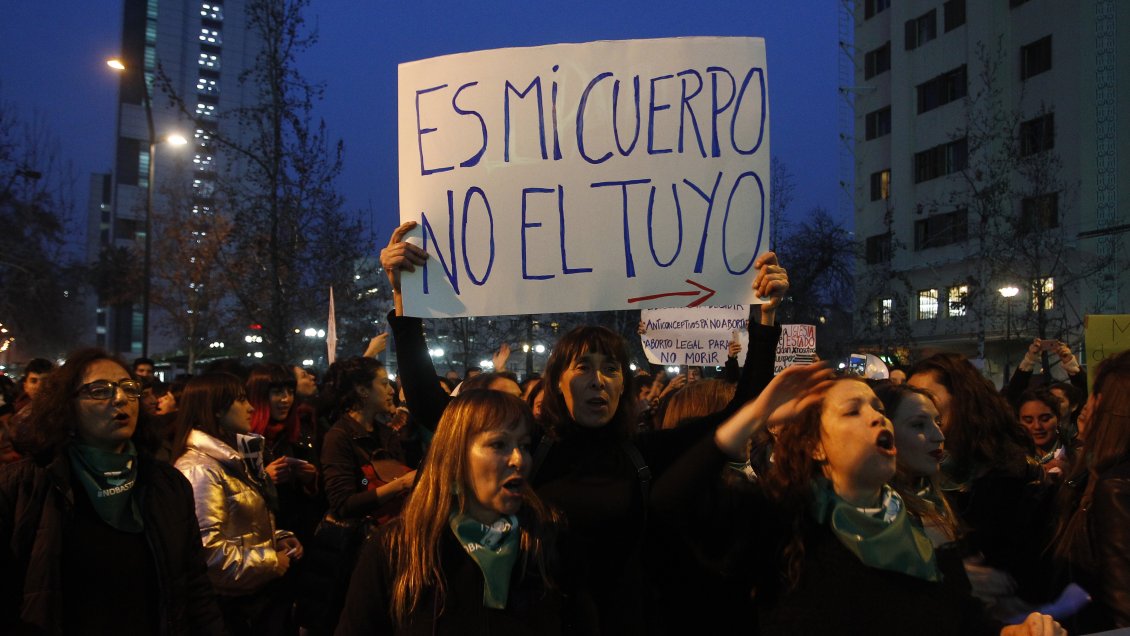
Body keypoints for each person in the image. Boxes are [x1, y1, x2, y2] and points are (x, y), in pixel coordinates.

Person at [382, 220, 788, 633]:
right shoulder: (528, 448)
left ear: (623, 384)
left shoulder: (645, 454)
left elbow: (743, 409)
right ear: (557, 381)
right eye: (584, 367)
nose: (598, 380)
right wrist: (405, 298)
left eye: (611, 369)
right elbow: (429, 403)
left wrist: (766, 316)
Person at [652, 365, 1065, 636]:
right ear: (815, 446)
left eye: (879, 408)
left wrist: (1012, 631)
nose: (877, 417)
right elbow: (670, 502)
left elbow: (958, 617)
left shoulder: (919, 522)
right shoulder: (781, 518)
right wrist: (752, 415)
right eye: (853, 411)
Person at [1, 348, 224, 635]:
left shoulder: (167, 484)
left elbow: (195, 587)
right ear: (66, 404)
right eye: (99, 390)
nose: (120, 399)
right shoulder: (23, 486)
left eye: (129, 389)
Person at [337, 390, 595, 635]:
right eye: (499, 444)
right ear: (455, 455)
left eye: (525, 445)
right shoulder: (398, 546)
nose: (519, 459)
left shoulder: (548, 539)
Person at [908, 352, 1056, 607]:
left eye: (927, 396)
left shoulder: (1006, 473)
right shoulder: (910, 473)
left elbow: (1011, 571)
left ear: (962, 399)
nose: (916, 404)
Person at [172, 372, 302, 635]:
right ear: (217, 410)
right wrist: (270, 561)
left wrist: (277, 538)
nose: (251, 407)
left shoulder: (230, 459)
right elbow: (207, 553)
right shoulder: (200, 469)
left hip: (251, 600)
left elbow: (239, 526)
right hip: (230, 610)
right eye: (241, 400)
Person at [1053, 348, 1130, 632]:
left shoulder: (1116, 488)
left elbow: (1123, 609)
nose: (1087, 406)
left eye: (1096, 395)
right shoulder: (1099, 477)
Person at [246, 364, 322, 543]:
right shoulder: (244, 440)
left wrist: (310, 480)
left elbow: (318, 496)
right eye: (278, 392)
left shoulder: (300, 432)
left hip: (299, 536)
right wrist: (265, 480)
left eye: (290, 391)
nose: (286, 399)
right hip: (260, 540)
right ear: (260, 396)